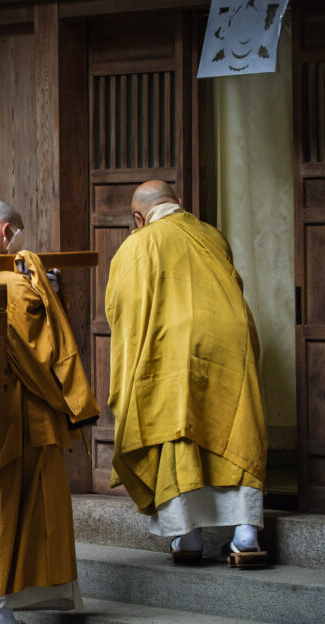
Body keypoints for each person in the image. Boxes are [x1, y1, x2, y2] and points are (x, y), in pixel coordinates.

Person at [105, 180, 267, 566]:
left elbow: (122, 308)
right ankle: (245, 536)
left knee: (177, 430)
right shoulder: (212, 234)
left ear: (138, 217)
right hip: (232, 339)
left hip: (174, 344)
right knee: (235, 425)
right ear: (179, 204)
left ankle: (189, 538)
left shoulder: (139, 243)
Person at [0, 199, 99, 624]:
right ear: (7, 233)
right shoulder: (15, 285)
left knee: (3, 505)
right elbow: (43, 350)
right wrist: (46, 292)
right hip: (24, 415)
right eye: (20, 233)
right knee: (20, 508)